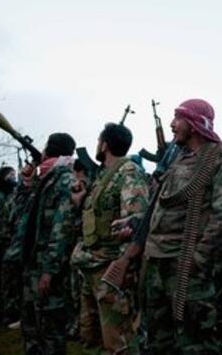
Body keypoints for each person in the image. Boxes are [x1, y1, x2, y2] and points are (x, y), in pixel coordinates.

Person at [108, 99, 222, 353]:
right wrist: (135, 222)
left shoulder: (218, 158)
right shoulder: (178, 159)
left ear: (194, 124)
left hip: (187, 266)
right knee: (158, 342)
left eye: (178, 119)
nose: (172, 124)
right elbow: (164, 208)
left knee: (196, 342)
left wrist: (198, 261)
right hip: (158, 263)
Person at [70, 123, 148, 354]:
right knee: (90, 335)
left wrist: (123, 265)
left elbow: (136, 222)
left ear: (104, 145)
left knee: (118, 340)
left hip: (111, 269)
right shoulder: (103, 176)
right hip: (91, 264)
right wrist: (80, 201)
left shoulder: (128, 172)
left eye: (99, 140)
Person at [12, 133, 77, 355]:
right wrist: (26, 184)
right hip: (32, 263)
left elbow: (62, 229)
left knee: (50, 330)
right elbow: (19, 216)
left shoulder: (64, 181)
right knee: (31, 328)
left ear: (48, 150)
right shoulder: (44, 180)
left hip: (48, 268)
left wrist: (50, 270)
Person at [0, 165, 18, 325]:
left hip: (11, 241)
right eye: (9, 175)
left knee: (10, 277)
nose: (12, 178)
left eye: (14, 175)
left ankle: (10, 310)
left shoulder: (15, 194)